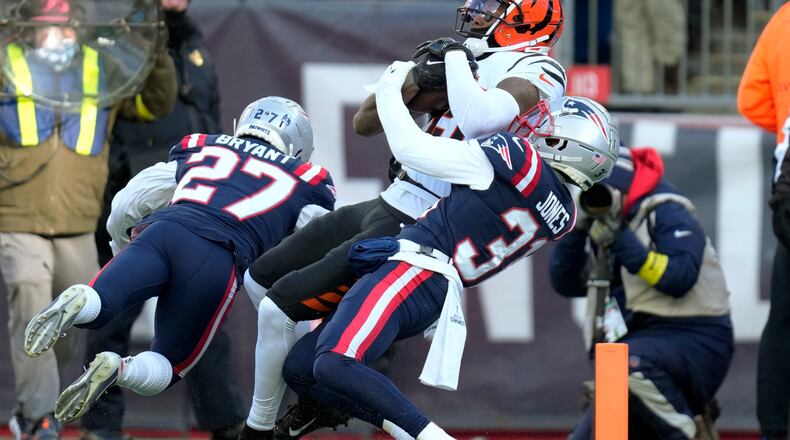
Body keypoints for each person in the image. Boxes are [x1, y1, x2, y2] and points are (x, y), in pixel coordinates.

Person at [237, 1, 567, 439]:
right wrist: (413, 79)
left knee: (282, 311)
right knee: (262, 285)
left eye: (493, 6)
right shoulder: (467, 50)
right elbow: (364, 122)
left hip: (426, 216)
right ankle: (327, 380)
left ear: (530, 15)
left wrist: (431, 73)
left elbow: (480, 116)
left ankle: (257, 428)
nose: (477, 14)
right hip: (393, 196)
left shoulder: (538, 68)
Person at [281, 61, 620, 440]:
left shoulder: (515, 158)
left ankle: (431, 436)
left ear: (566, 143)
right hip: (433, 290)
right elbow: (470, 221)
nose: (538, 124)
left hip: (416, 272)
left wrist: (392, 87)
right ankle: (409, 430)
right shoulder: (563, 214)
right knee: (301, 367)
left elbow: (411, 149)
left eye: (551, 125)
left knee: (333, 362)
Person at [20, 97, 335, 427]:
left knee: (102, 304)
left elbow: (129, 200)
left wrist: (123, 247)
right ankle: (117, 368)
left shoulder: (203, 147)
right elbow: (327, 239)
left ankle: (80, 299)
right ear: (298, 145)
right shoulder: (306, 179)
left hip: (161, 232)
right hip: (217, 258)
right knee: (168, 365)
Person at [0, 0, 177, 438]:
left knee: (72, 318)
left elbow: (156, 103)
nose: (56, 37)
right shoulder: (6, 62)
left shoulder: (104, 69)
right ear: (27, 28)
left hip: (78, 222)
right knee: (29, 298)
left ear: (78, 29)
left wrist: (150, 48)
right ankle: (38, 414)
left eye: (64, 27)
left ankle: (44, 409)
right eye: (47, 26)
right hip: (18, 215)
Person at [81, 0, 246, 439]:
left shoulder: (193, 40)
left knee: (203, 311)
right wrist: (121, 182)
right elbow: (105, 120)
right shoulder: (115, 40)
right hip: (135, 194)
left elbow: (207, 115)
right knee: (110, 313)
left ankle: (224, 423)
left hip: (196, 197)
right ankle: (101, 427)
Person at [549, 147, 733, 440]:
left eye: (605, 192)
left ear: (624, 190)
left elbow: (679, 279)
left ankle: (686, 430)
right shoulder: (600, 225)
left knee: (624, 365)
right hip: (634, 348)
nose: (599, 199)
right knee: (588, 433)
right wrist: (577, 228)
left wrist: (622, 239)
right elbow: (566, 283)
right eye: (590, 190)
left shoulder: (667, 210)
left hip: (695, 338)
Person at [737, 3, 790, 439]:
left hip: (787, 181)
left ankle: (774, 431)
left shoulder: (783, 20)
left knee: (785, 320)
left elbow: (750, 100)